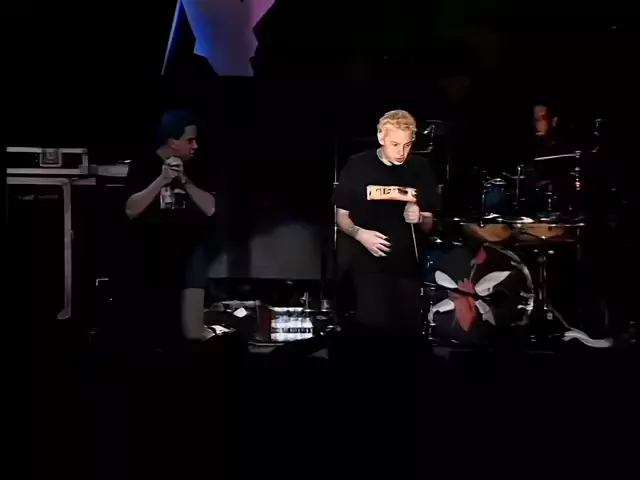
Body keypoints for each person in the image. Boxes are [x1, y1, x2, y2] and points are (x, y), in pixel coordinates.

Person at [331, 110, 440, 357]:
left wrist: (420, 217)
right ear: (381, 138)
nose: (401, 152)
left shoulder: (420, 168)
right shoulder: (358, 165)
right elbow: (341, 217)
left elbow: (429, 224)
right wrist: (361, 235)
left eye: (407, 145)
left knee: (406, 334)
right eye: (395, 144)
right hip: (366, 262)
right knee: (374, 330)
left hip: (406, 264)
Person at [124, 110, 217, 347]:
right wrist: (162, 180)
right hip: (150, 256)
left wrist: (184, 180)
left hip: (187, 256)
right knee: (153, 326)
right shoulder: (144, 165)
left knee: (188, 330)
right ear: (172, 141)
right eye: (190, 140)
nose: (195, 146)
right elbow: (131, 209)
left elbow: (210, 208)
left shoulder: (196, 166)